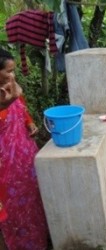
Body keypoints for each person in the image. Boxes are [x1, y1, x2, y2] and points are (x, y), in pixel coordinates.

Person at [0, 48, 48, 249]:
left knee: (34, 199)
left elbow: (21, 107)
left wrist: (29, 123)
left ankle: (41, 241)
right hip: (5, 166)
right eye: (9, 71)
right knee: (13, 208)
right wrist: (6, 103)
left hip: (24, 157)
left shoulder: (13, 87)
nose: (13, 75)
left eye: (13, 70)